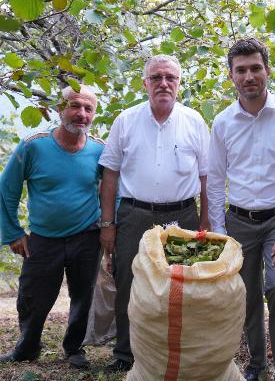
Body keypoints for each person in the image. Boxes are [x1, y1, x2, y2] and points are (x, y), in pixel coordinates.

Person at [207, 38, 275, 381]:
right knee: (244, 294)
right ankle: (257, 365)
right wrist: (221, 235)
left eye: (255, 68)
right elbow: (214, 180)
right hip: (238, 221)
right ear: (231, 76)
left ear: (267, 71)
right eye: (241, 70)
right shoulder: (223, 122)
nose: (249, 76)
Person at [98, 54, 210, 372]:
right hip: (135, 216)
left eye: (170, 78)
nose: (164, 83)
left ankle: (176, 354)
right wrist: (108, 223)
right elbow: (109, 176)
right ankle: (125, 355)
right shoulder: (126, 120)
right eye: (157, 77)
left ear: (179, 84)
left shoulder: (194, 121)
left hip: (183, 217)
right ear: (145, 83)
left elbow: (207, 177)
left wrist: (206, 220)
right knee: (130, 283)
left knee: (182, 286)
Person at [0, 85, 105, 369]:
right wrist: (13, 232)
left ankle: (74, 349)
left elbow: (112, 192)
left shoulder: (99, 149)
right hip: (44, 238)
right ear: (60, 109)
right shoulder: (33, 145)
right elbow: (7, 189)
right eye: (75, 106)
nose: (81, 114)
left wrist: (109, 228)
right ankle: (27, 346)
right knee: (32, 296)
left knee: (84, 295)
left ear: (93, 114)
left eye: (88, 109)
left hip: (87, 236)